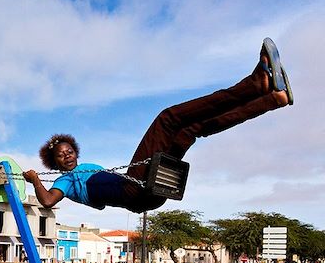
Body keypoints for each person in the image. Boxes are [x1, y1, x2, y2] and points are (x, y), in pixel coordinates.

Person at [23, 38, 293, 214]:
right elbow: (47, 201)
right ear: (54, 162)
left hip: (150, 192)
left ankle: (271, 100)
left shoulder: (85, 168)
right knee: (168, 118)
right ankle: (255, 84)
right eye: (61, 154)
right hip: (135, 190)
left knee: (189, 130)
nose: (67, 154)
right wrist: (35, 180)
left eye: (69, 150)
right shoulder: (65, 181)